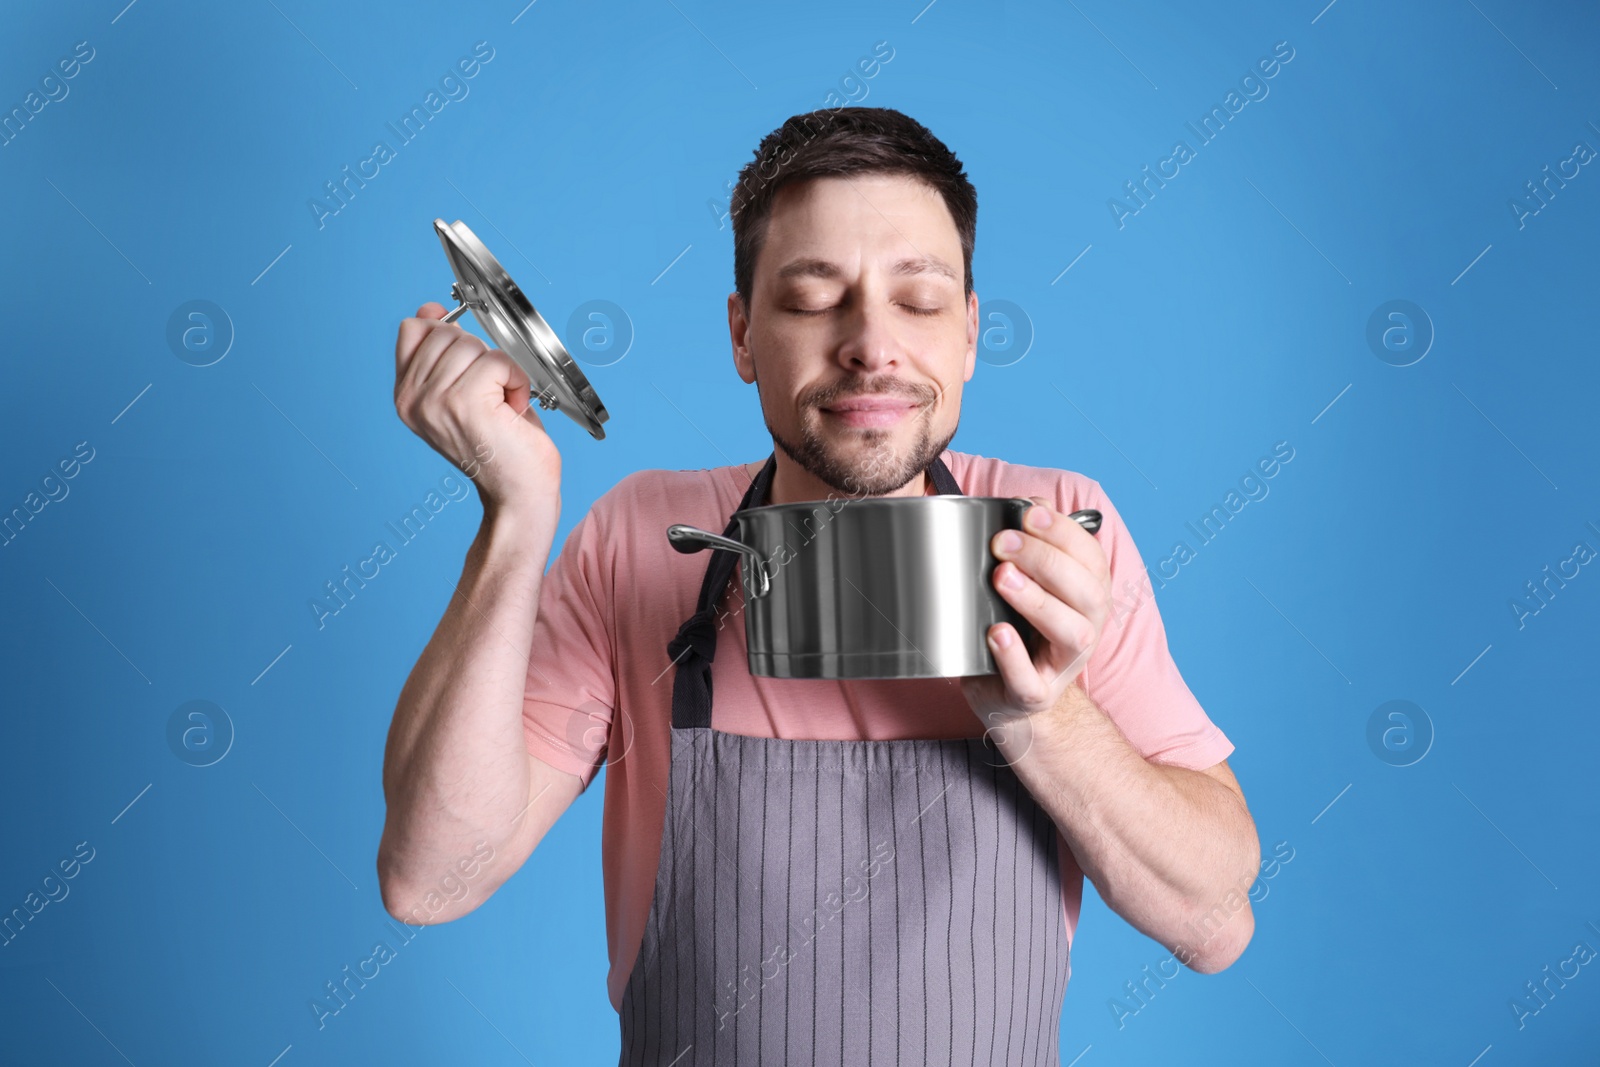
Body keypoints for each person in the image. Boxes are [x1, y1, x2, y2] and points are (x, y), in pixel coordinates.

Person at [379, 106, 1259, 1065]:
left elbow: (1213, 922)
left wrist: (1044, 714)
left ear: (970, 333)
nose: (871, 345)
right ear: (743, 334)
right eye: (811, 299)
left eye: (918, 302)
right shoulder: (640, 536)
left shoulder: (1056, 533)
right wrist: (513, 519)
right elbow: (431, 881)